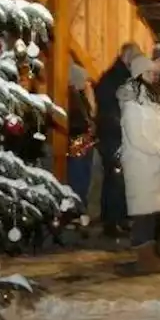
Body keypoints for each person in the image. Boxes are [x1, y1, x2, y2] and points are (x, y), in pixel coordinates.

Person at [118, 54, 160, 273]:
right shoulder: (132, 102)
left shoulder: (154, 100)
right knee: (143, 212)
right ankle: (144, 257)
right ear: (138, 74)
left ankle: (152, 253)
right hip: (142, 164)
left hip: (157, 163)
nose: (154, 75)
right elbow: (137, 136)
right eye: (149, 72)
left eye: (154, 72)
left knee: (154, 211)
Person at [93, 42, 140, 237]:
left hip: (116, 133)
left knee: (118, 179)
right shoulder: (114, 79)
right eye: (135, 57)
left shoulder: (116, 77)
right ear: (127, 56)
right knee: (115, 179)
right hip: (114, 135)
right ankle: (112, 222)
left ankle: (117, 219)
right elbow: (110, 109)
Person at [65, 62, 97, 211]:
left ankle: (81, 207)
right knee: (79, 177)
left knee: (84, 176)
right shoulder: (71, 97)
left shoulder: (80, 96)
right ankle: (77, 209)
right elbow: (83, 119)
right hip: (77, 142)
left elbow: (92, 114)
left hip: (85, 142)